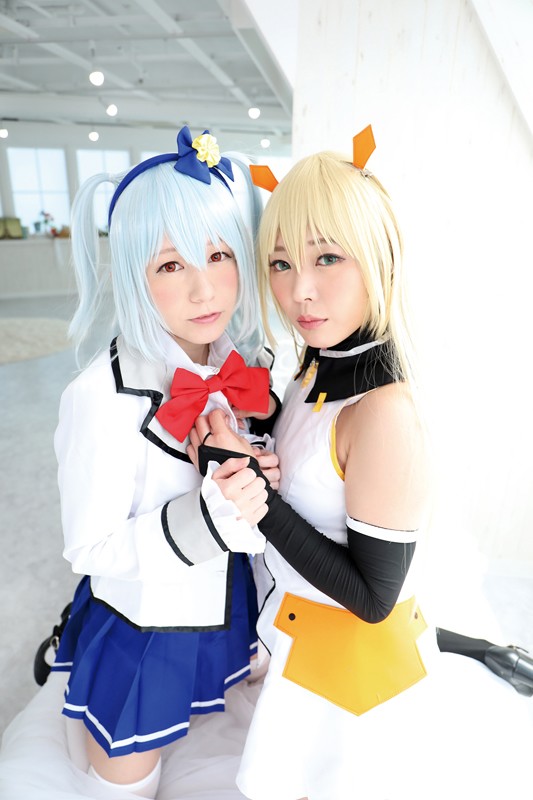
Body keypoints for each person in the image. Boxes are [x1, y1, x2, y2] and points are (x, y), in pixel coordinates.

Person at [187, 126, 533, 800]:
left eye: (326, 258)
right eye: (280, 263)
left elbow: (374, 599)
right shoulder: (314, 368)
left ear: (380, 257)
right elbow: (302, 462)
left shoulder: (383, 413)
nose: (299, 291)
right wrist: (244, 440)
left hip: (347, 700)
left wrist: (257, 498)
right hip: (294, 644)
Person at [4, 125, 280, 799]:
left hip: (225, 614)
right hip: (145, 628)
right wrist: (211, 515)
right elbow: (89, 546)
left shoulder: (248, 370)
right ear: (134, 274)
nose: (204, 290)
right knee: (122, 784)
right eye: (170, 266)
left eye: (218, 254)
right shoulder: (97, 397)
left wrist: (260, 479)